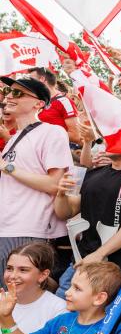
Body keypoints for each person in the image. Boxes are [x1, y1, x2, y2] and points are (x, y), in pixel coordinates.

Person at [0, 76, 72, 282]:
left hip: (29, 228)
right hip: (7, 226)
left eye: (18, 93)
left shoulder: (52, 132)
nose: (9, 97)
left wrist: (7, 167)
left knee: (16, 298)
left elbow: (54, 184)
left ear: (39, 103)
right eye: (8, 92)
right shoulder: (14, 137)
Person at [53, 143, 121, 298]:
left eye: (115, 136)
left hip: (114, 267)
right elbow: (66, 213)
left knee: (98, 318)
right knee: (61, 313)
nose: (108, 141)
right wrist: (61, 194)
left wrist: (99, 254)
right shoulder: (93, 174)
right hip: (80, 261)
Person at [0, 261, 121, 334]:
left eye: (77, 288)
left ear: (99, 298)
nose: (67, 292)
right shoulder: (60, 321)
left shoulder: (114, 329)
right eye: (70, 286)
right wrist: (6, 318)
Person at [0, 243, 66, 334]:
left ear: (43, 275)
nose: (13, 275)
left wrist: (6, 319)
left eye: (23, 270)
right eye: (9, 268)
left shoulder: (59, 309)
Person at [27, 68, 80, 144]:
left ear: (42, 79)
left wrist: (44, 133)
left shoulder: (64, 101)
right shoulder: (36, 102)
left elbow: (75, 136)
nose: (28, 83)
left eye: (31, 80)